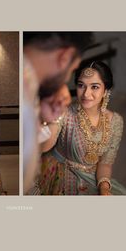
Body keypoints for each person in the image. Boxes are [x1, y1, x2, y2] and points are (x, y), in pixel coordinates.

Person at [32, 61, 126, 195]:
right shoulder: (65, 112)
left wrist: (104, 188)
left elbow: (105, 164)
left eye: (94, 87)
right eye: (81, 85)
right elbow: (44, 146)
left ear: (106, 90)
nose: (86, 94)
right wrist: (52, 117)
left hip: (92, 178)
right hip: (58, 174)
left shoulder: (116, 121)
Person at [23, 32, 94, 193]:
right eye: (73, 69)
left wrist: (47, 118)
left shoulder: (31, 89)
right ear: (65, 57)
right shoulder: (26, 93)